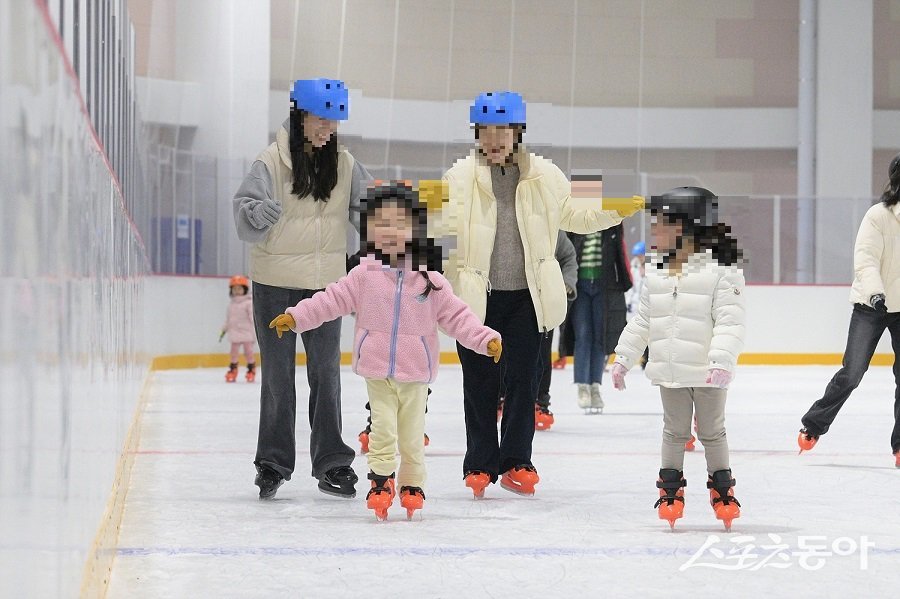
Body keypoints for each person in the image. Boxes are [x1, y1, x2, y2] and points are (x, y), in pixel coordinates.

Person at [441, 91, 642, 498]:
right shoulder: (457, 177)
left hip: (527, 298)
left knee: (523, 381)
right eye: (486, 131)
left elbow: (580, 211)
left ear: (518, 133)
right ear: (476, 134)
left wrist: (615, 205)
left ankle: (517, 460)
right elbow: (431, 225)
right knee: (479, 381)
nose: (494, 139)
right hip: (477, 298)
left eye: (503, 130)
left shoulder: (547, 175)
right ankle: (479, 463)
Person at [269, 182, 502, 520]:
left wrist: (484, 339)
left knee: (410, 435)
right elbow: (331, 299)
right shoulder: (364, 275)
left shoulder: (429, 278)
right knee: (382, 430)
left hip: (415, 373)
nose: (390, 231)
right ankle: (381, 481)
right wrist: (296, 316)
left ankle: (412, 484)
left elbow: (457, 317)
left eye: (399, 223)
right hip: (377, 370)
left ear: (414, 229)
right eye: (381, 223)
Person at [233, 78, 372, 500]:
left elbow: (370, 214)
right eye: (321, 120)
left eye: (334, 123)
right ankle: (273, 463)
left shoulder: (345, 165)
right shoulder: (270, 162)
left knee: (326, 375)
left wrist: (394, 238)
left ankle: (332, 463)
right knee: (277, 377)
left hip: (325, 287)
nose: (328, 130)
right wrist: (258, 212)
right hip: (274, 284)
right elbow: (243, 214)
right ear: (301, 116)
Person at [610, 187, 746, 531]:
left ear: (689, 226)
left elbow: (730, 321)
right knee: (673, 432)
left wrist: (720, 361)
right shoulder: (656, 270)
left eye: (662, 225)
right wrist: (624, 357)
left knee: (713, 432)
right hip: (670, 371)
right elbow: (643, 320)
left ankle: (722, 489)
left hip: (708, 372)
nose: (655, 232)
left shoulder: (722, 269)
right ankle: (670, 490)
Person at [798, 153, 900, 468]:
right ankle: (814, 424)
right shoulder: (879, 216)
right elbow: (866, 257)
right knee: (853, 372)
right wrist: (876, 293)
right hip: (872, 304)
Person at [568, 223, 632, 413]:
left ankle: (595, 385)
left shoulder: (610, 225)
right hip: (580, 286)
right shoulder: (574, 224)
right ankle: (582, 386)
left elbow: (620, 253)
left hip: (604, 287)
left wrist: (624, 282)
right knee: (583, 334)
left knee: (599, 337)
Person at [220, 275, 256, 383]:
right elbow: (229, 320)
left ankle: (251, 369)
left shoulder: (248, 303)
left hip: (246, 333)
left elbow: (252, 317)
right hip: (234, 333)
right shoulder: (231, 305)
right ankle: (233, 369)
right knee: (233, 353)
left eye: (239, 288)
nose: (237, 291)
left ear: (245, 289)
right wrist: (224, 329)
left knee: (248, 352)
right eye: (234, 289)